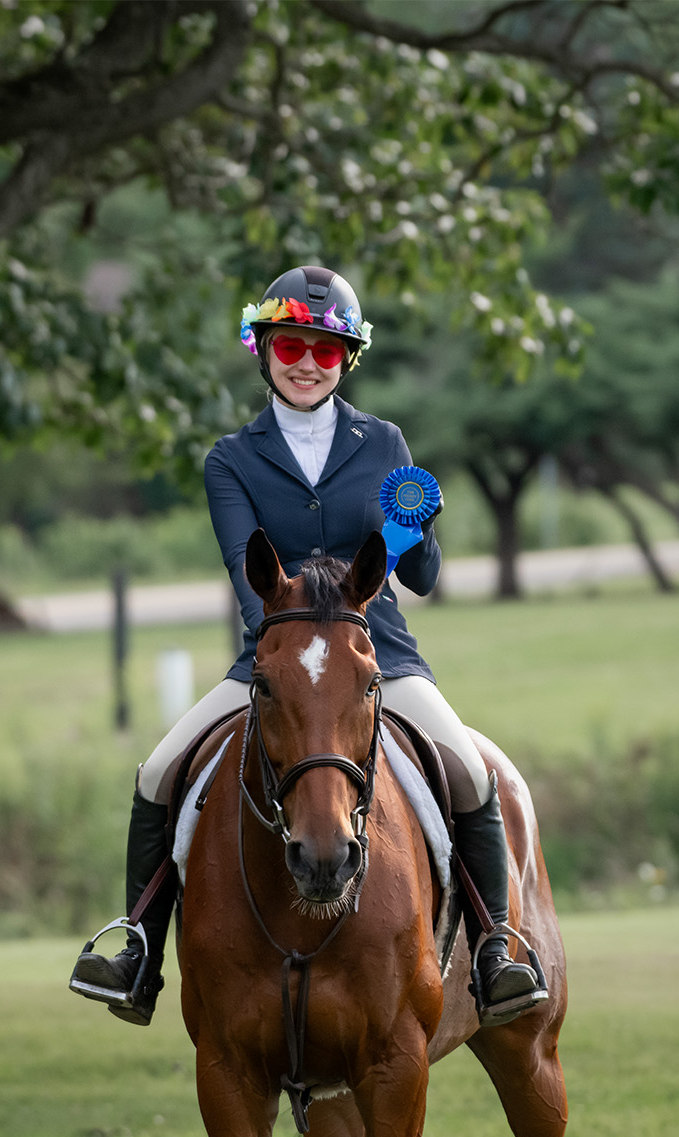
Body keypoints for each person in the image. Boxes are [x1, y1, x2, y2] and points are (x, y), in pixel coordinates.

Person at [69, 265, 547, 1028]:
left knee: (469, 772)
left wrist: (415, 522)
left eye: (325, 351)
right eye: (291, 343)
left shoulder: (383, 441)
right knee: (159, 770)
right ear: (263, 347)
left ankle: (496, 951)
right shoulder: (231, 459)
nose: (305, 361)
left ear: (346, 360)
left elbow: (418, 575)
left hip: (378, 655)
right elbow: (245, 572)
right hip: (277, 658)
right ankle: (137, 951)